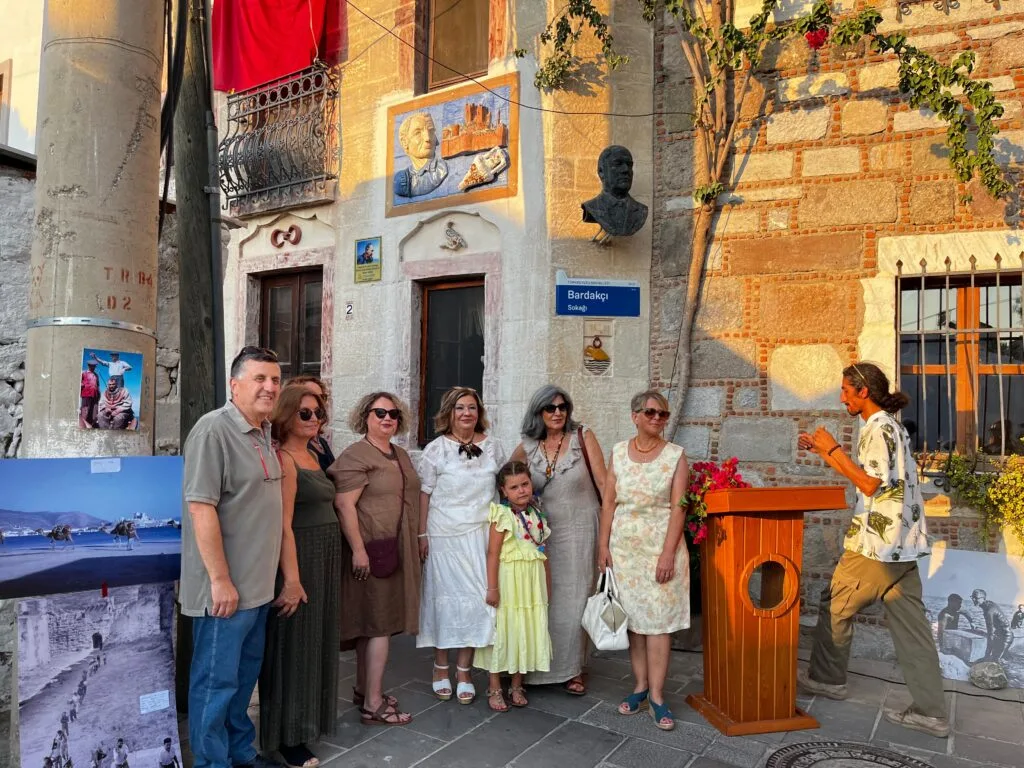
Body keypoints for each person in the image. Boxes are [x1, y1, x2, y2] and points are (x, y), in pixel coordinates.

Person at [797, 361, 950, 738]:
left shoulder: (877, 428)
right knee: (913, 630)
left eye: (846, 391)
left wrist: (832, 447)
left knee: (835, 603)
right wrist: (824, 451)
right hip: (905, 545)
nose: (842, 398)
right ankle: (931, 713)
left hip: (876, 545)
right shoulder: (893, 426)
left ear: (863, 391)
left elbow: (869, 484)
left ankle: (827, 680)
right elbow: (877, 479)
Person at [179, 345, 285, 768]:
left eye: (275, 380)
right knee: (215, 683)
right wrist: (220, 580)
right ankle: (211, 762)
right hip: (225, 592)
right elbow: (200, 508)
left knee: (242, 680)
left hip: (257, 589)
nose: (269, 387)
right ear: (234, 385)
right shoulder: (213, 431)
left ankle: (240, 754)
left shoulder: (263, 431)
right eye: (259, 378)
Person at [259, 385, 341, 768]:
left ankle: (306, 725)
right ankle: (286, 737)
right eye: (304, 413)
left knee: (315, 642)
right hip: (302, 557)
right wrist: (292, 580)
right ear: (286, 415)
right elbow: (283, 525)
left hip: (323, 557)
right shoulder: (285, 460)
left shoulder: (312, 454)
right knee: (293, 647)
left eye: (317, 413)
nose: (313, 419)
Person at [598, 390, 689, 732]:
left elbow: (679, 507)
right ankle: (639, 686)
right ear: (635, 416)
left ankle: (658, 695)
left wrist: (668, 553)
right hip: (624, 552)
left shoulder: (676, 456)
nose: (657, 419)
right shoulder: (619, 453)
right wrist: (602, 546)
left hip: (660, 550)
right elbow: (609, 503)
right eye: (650, 412)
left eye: (662, 414)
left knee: (659, 624)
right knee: (635, 622)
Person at [329, 392, 421, 726]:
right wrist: (358, 550)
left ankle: (363, 689)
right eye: (380, 412)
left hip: (395, 549)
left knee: (373, 625)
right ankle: (373, 704)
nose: (387, 419)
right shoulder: (357, 454)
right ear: (365, 416)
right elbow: (344, 505)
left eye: (393, 414)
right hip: (371, 552)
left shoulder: (399, 453)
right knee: (379, 625)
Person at [511, 384, 606, 696]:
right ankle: (536, 668)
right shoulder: (528, 446)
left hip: (581, 531)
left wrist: (609, 537)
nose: (557, 413)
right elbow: (506, 480)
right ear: (538, 412)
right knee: (544, 600)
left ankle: (573, 669)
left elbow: (605, 486)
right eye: (550, 408)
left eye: (562, 407)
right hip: (541, 536)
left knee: (576, 600)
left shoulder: (583, 438)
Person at [416, 387, 504, 704]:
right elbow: (425, 493)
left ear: (479, 413)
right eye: (460, 408)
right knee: (445, 601)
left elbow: (504, 488)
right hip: (443, 536)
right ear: (449, 413)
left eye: (472, 408)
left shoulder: (494, 447)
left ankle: (464, 670)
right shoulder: (436, 449)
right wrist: (422, 535)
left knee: (476, 601)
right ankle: (441, 666)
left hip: (480, 535)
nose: (467, 413)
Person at [475, 461, 552, 711]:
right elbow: (492, 553)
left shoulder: (537, 514)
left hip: (531, 584)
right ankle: (495, 686)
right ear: (504, 491)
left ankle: (517, 684)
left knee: (525, 629)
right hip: (509, 583)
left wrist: (547, 584)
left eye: (525, 484)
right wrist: (492, 588)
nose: (521, 490)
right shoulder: (502, 514)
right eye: (514, 487)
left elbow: (543, 553)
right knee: (504, 631)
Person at [581, 145, 649, 237]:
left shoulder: (641, 211)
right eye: (618, 164)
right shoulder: (592, 207)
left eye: (629, 165)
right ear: (601, 172)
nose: (626, 170)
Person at [393, 111, 448, 198]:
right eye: (418, 133)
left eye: (431, 131)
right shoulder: (402, 180)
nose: (427, 138)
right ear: (404, 142)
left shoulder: (442, 169)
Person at [287, 375, 336, 471]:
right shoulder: (293, 447)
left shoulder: (321, 441)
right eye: (310, 395)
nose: (318, 402)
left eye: (321, 397)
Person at [971, 589, 1010, 662]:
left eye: (976, 598)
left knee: (996, 661)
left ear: (983, 598)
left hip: (1006, 636)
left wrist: (987, 655)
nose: (973, 599)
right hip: (999, 634)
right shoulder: (988, 604)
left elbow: (990, 634)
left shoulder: (989, 611)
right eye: (972, 597)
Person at [80, 362, 100, 428]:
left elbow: (98, 385)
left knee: (94, 411)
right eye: (91, 366)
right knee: (85, 410)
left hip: (95, 395)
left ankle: (92, 425)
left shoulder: (96, 375)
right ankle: (83, 426)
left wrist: (99, 394)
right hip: (86, 394)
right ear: (88, 366)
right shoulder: (83, 373)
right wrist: (82, 384)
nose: (93, 367)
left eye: (94, 366)